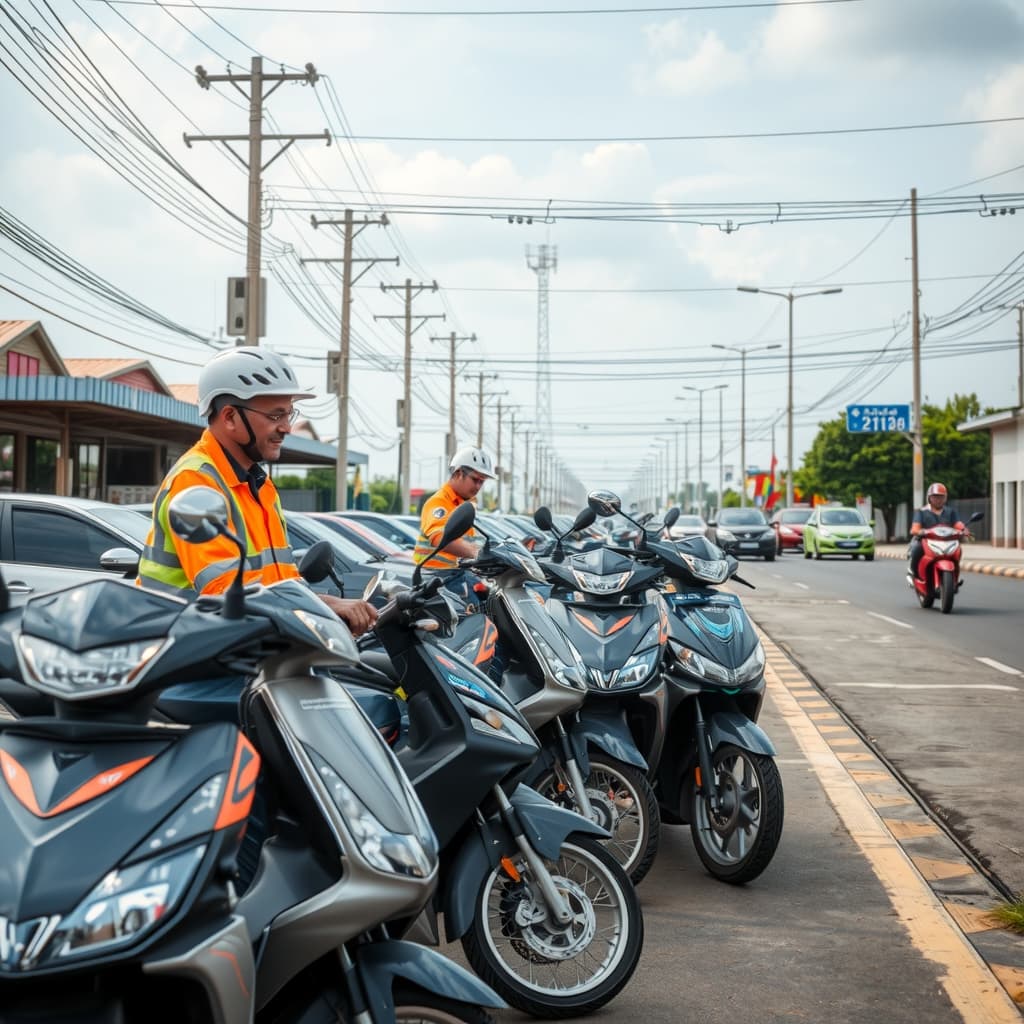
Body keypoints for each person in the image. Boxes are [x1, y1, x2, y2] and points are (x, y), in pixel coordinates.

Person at [138, 346, 377, 636]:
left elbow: (283, 581)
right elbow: (224, 591)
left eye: (289, 414)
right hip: (184, 651)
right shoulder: (197, 481)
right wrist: (327, 606)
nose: (287, 428)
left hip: (247, 645)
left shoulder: (259, 485)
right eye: (276, 416)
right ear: (229, 417)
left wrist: (327, 608)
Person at [908, 482, 966, 580]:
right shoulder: (922, 511)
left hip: (947, 541)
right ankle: (914, 572)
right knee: (916, 549)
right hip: (927, 541)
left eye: (941, 497)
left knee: (958, 550)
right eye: (935, 497)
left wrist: (963, 530)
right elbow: (915, 528)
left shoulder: (950, 512)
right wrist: (919, 531)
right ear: (929, 498)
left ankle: (955, 575)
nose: (938, 500)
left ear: (945, 498)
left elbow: (957, 524)